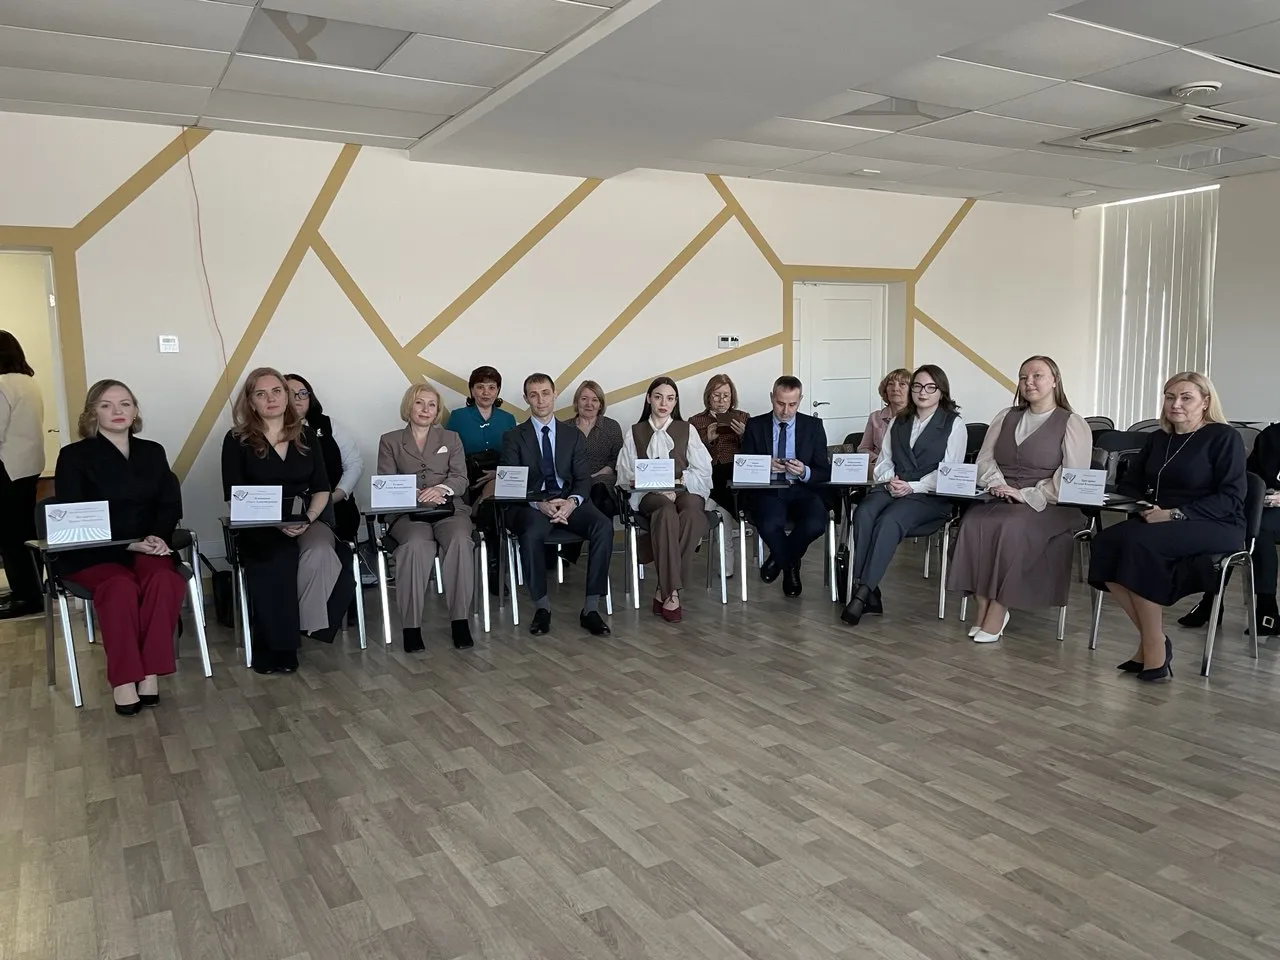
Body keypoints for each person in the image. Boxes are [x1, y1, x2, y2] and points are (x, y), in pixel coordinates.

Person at [1087, 372, 1246, 683]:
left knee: (1139, 544)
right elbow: (1132, 483)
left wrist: (1175, 514)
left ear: (1205, 402)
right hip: (1159, 519)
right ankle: (1154, 639)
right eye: (1170, 397)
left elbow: (1231, 498)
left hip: (1215, 522)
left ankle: (1154, 650)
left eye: (1186, 398)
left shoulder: (1223, 437)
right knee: (1105, 542)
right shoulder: (1159, 439)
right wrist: (1117, 498)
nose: (1176, 404)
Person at [53, 380, 186, 715]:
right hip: (94, 551)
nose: (117, 411)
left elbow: (169, 503)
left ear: (135, 410)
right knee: (120, 586)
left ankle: (150, 671)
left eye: (125, 404)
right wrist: (129, 544)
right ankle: (125, 679)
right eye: (106, 405)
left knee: (165, 579)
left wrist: (158, 536)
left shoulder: (152, 452)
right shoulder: (74, 456)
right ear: (92, 413)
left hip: (147, 545)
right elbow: (75, 514)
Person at [946, 356, 1092, 642]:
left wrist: (1026, 495)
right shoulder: (1006, 416)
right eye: (1024, 377)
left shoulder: (1072, 422)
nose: (1029, 382)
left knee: (1012, 528)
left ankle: (999, 608)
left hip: (1049, 503)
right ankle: (983, 605)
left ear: (1055, 381)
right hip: (1001, 495)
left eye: (1037, 376)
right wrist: (997, 483)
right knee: (972, 522)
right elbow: (985, 459)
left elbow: (1072, 475)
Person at [221, 367, 353, 674]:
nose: (271, 399)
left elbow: (322, 488)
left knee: (323, 551)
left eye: (276, 391)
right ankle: (276, 643)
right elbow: (234, 494)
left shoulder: (306, 435)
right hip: (258, 521)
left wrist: (308, 518)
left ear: (286, 396)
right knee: (277, 557)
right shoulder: (237, 439)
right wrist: (275, 523)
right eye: (261, 394)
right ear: (251, 402)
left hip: (305, 516)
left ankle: (296, 628)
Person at [841, 364, 966, 626]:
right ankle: (870, 590)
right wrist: (891, 480)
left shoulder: (954, 425)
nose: (923, 392)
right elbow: (884, 460)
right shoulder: (899, 420)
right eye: (918, 386)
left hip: (930, 494)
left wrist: (913, 487)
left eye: (930, 387)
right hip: (893, 486)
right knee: (864, 512)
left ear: (941, 391)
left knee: (890, 520)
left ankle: (862, 592)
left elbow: (949, 471)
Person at [499, 373, 613, 637]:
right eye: (534, 395)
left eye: (545, 393)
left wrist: (572, 503)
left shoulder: (572, 435)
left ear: (555, 394)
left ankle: (591, 608)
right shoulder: (513, 437)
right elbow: (511, 482)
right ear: (526, 398)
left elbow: (583, 479)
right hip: (532, 504)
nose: (540, 400)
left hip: (568, 500)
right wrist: (539, 504)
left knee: (603, 526)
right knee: (531, 533)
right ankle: (542, 607)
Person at [376, 383, 475, 652]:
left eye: (432, 404)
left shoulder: (451, 439)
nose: (425, 409)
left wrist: (440, 489)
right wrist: (415, 494)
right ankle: (411, 627)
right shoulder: (390, 440)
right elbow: (386, 482)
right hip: (407, 513)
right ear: (409, 406)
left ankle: (460, 622)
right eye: (420, 403)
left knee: (459, 541)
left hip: (449, 509)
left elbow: (460, 478)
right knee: (415, 546)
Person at [616, 377, 712, 622]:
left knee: (692, 511)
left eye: (670, 398)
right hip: (650, 495)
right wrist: (656, 487)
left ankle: (664, 587)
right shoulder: (635, 432)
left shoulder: (687, 430)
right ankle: (672, 593)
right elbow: (626, 474)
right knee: (666, 510)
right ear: (649, 398)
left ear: (675, 402)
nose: (663, 403)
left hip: (684, 490)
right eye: (658, 397)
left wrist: (677, 482)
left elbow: (703, 471)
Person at [739, 375, 831, 597]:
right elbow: (743, 466)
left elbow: (824, 470)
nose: (786, 411)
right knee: (769, 523)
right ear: (772, 398)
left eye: (792, 404)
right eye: (780, 403)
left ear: (800, 400)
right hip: (769, 489)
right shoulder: (755, 425)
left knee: (816, 524)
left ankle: (779, 559)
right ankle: (791, 566)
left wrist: (804, 471)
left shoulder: (813, 426)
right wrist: (765, 466)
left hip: (803, 489)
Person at [284, 374, 363, 543]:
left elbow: (353, 464)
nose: (297, 398)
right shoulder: (271, 431)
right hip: (288, 512)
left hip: (334, 505)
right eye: (290, 393)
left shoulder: (327, 425)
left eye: (303, 393)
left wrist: (337, 495)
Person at [0, 331, 45, 619]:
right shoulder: (29, 383)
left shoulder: (2, 384)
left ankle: (25, 597)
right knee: (25, 532)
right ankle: (31, 591)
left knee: (10, 536)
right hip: (28, 466)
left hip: (6, 467)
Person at [688, 373, 748, 576]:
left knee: (720, 484)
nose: (721, 401)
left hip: (734, 474)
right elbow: (689, 455)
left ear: (732, 397)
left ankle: (697, 529)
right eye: (716, 395)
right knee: (723, 509)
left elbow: (754, 453)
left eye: (726, 396)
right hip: (710, 474)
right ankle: (726, 568)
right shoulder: (695, 421)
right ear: (708, 396)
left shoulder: (742, 417)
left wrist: (744, 435)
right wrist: (707, 439)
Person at [570, 380, 624, 518]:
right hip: (573, 482)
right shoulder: (564, 428)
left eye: (594, 400)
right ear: (577, 401)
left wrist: (594, 476)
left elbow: (617, 459)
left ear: (600, 404)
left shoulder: (611, 426)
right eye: (584, 399)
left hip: (604, 479)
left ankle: (593, 530)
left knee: (600, 491)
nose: (589, 404)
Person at [449, 365, 517, 458]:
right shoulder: (458, 417)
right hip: (465, 467)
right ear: (472, 390)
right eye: (480, 387)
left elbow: (514, 455)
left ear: (498, 390)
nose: (486, 393)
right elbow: (448, 453)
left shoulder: (508, 419)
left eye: (491, 388)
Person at [858, 368, 911, 457]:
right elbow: (863, 448)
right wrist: (877, 460)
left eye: (902, 384)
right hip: (878, 464)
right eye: (891, 384)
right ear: (885, 390)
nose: (895, 389)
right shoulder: (875, 417)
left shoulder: (919, 417)